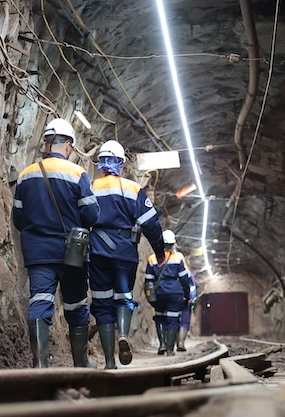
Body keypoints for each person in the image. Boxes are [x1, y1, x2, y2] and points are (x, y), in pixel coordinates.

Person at [12, 118, 99, 368]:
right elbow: (92, 215)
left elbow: (19, 218)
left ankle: (40, 364)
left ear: (47, 144)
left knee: (40, 301)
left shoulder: (25, 175)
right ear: (69, 145)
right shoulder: (77, 174)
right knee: (76, 305)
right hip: (72, 253)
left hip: (38, 252)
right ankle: (81, 363)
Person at [89, 139, 165, 368]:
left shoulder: (90, 187)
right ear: (121, 164)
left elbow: (80, 217)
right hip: (124, 252)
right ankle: (123, 334)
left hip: (97, 250)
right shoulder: (133, 189)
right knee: (123, 296)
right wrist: (159, 251)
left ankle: (109, 361)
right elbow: (151, 223)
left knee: (102, 302)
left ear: (101, 164)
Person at [143, 230, 193, 355]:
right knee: (173, 319)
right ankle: (170, 350)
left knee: (160, 317)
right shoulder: (178, 257)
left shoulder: (152, 258)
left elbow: (148, 280)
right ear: (173, 244)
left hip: (159, 292)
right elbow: (184, 278)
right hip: (175, 292)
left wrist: (150, 297)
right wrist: (187, 294)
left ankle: (162, 345)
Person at [177, 254, 198, 351]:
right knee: (184, 321)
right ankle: (181, 343)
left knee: (173, 320)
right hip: (186, 300)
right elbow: (192, 286)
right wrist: (192, 297)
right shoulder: (188, 274)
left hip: (174, 298)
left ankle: (172, 343)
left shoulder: (171, 270)